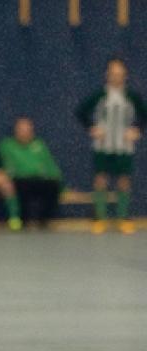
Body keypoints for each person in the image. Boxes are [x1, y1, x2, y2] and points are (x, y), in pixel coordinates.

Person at [76, 58, 146, 234]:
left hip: (124, 146)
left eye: (120, 74)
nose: (116, 77)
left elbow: (144, 116)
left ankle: (123, 218)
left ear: (125, 75)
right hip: (103, 146)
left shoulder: (131, 97)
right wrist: (92, 127)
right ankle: (100, 218)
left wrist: (136, 130)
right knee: (100, 179)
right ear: (107, 75)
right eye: (113, 73)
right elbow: (81, 111)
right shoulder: (100, 96)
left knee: (123, 181)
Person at [0, 117, 63, 228]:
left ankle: (44, 220)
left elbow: (51, 167)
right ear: (16, 131)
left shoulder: (40, 145)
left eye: (27, 130)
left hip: (39, 180)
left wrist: (57, 180)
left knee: (53, 186)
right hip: (19, 181)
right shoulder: (6, 145)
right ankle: (21, 219)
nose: (24, 133)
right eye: (21, 130)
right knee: (20, 186)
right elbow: (4, 166)